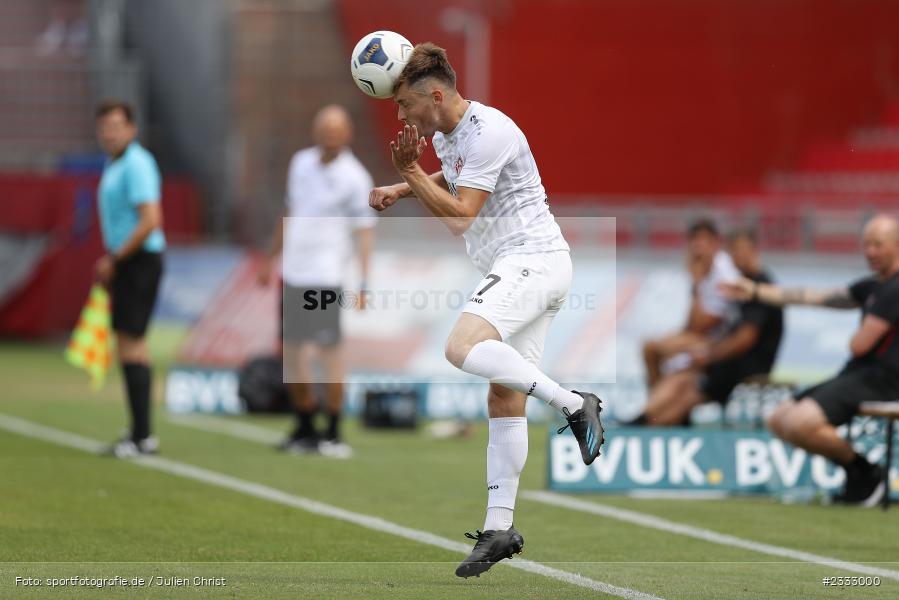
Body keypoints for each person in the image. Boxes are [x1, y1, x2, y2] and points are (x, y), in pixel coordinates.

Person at [368, 43, 604, 578]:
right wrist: (401, 187)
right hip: (532, 265)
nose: (400, 115)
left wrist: (409, 170)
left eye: (404, 104)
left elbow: (459, 214)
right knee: (504, 393)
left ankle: (573, 402)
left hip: (531, 261)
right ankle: (500, 526)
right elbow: (456, 184)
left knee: (461, 347)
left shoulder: (490, 130)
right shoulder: (453, 135)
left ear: (434, 95)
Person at [723, 214, 899, 506]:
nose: (870, 252)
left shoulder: (894, 289)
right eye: (866, 244)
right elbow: (814, 296)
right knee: (780, 420)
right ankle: (859, 472)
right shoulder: (872, 287)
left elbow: (858, 345)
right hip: (857, 374)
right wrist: (755, 291)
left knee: (800, 422)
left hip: (884, 380)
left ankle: (866, 474)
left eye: (878, 244)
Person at [258, 105, 375, 459]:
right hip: (294, 272)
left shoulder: (356, 177)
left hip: (325, 277)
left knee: (328, 354)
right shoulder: (301, 163)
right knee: (292, 353)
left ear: (347, 134)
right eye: (323, 130)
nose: (329, 137)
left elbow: (364, 232)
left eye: (335, 131)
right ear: (315, 132)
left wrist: (365, 280)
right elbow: (289, 213)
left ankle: (334, 429)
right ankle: (305, 423)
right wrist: (269, 257)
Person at [631, 229, 783, 426]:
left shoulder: (758, 286)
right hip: (731, 358)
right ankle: (648, 418)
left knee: (687, 388)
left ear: (754, 250)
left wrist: (710, 354)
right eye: (733, 251)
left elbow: (745, 339)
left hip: (745, 364)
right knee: (681, 377)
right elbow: (698, 326)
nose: (737, 257)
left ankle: (649, 424)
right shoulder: (742, 283)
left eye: (741, 250)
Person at [94, 99, 165, 458]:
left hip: (139, 260)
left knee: (132, 345)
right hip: (130, 261)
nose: (110, 132)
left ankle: (142, 436)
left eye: (116, 125)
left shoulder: (137, 163)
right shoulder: (117, 163)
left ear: (131, 129)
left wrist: (115, 258)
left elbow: (150, 219)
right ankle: (139, 432)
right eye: (105, 126)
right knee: (130, 345)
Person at [640, 218, 741, 392]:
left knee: (656, 350)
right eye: (694, 240)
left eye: (703, 240)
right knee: (650, 348)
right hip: (702, 336)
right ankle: (657, 405)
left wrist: (696, 284)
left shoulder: (724, 275)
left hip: (719, 341)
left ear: (715, 242)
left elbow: (704, 325)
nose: (698, 246)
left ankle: (657, 406)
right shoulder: (703, 270)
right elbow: (692, 323)